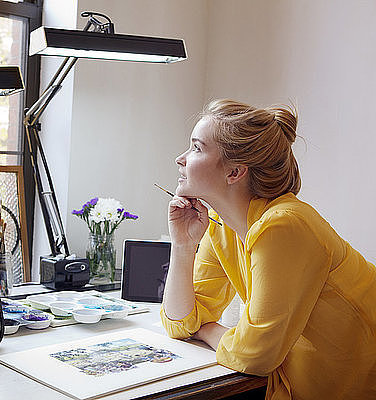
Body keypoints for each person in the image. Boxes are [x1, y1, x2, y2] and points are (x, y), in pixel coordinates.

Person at [160, 99, 376, 400]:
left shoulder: (284, 224)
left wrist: (206, 329)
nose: (180, 159)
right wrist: (183, 245)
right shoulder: (222, 226)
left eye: (196, 148)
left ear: (235, 171)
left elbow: (255, 355)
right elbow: (181, 322)